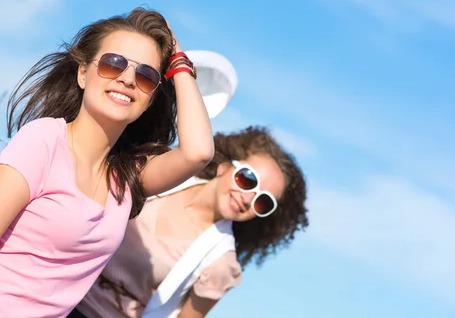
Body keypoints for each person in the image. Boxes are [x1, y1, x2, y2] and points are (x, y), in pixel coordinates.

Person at [0, 7, 215, 318]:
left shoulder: (124, 179)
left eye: (146, 75)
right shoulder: (45, 141)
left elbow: (198, 152)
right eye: (114, 63)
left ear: (151, 98)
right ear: (83, 73)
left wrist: (178, 60)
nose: (127, 79)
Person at [72, 126, 309, 318]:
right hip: (57, 291)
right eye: (248, 179)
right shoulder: (163, 174)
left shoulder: (221, 265)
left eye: (263, 201)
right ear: (224, 168)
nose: (248, 198)